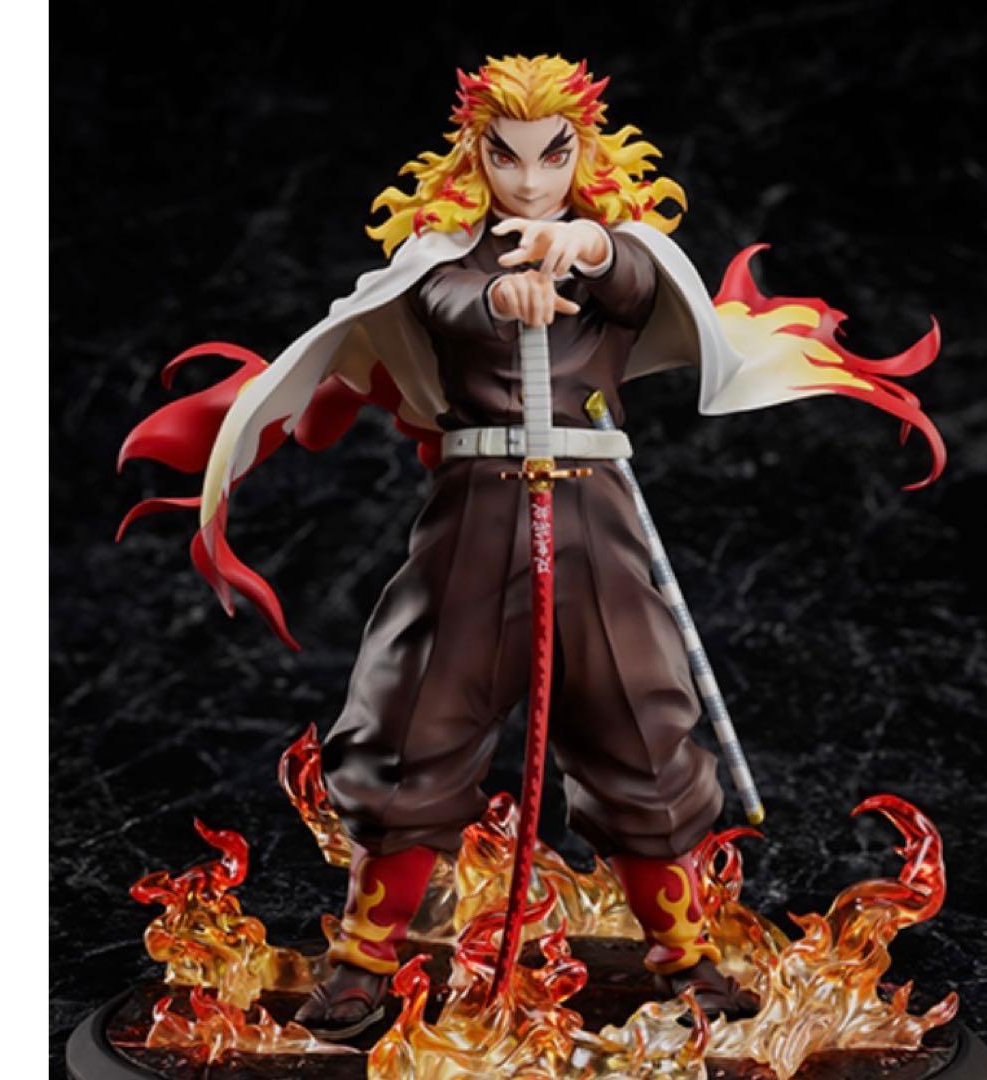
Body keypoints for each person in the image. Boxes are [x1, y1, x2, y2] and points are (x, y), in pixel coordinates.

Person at [119, 53, 944, 1040]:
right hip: (476, 511)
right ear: (474, 157)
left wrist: (585, 247)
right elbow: (440, 302)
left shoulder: (618, 250)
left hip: (593, 511)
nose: (527, 179)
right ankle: (366, 957)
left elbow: (641, 277)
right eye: (504, 157)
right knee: (412, 715)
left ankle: (683, 952)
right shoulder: (442, 257)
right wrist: (499, 298)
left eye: (552, 155)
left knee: (640, 717)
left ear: (583, 154)